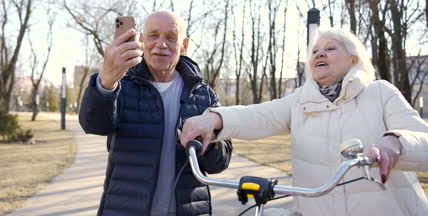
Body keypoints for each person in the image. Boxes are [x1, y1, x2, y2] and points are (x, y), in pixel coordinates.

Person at [181, 28, 428, 216]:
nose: (320, 53)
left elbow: (423, 143)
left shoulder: (380, 93)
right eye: (314, 51)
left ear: (354, 59)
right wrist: (214, 118)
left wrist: (395, 142)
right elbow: (259, 114)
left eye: (331, 48)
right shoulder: (300, 101)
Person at [79, 10, 232, 216]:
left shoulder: (204, 94)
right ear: (142, 41)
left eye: (170, 37)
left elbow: (219, 163)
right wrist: (106, 82)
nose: (161, 44)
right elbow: (93, 125)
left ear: (184, 45)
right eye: (153, 36)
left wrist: (208, 141)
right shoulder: (122, 84)